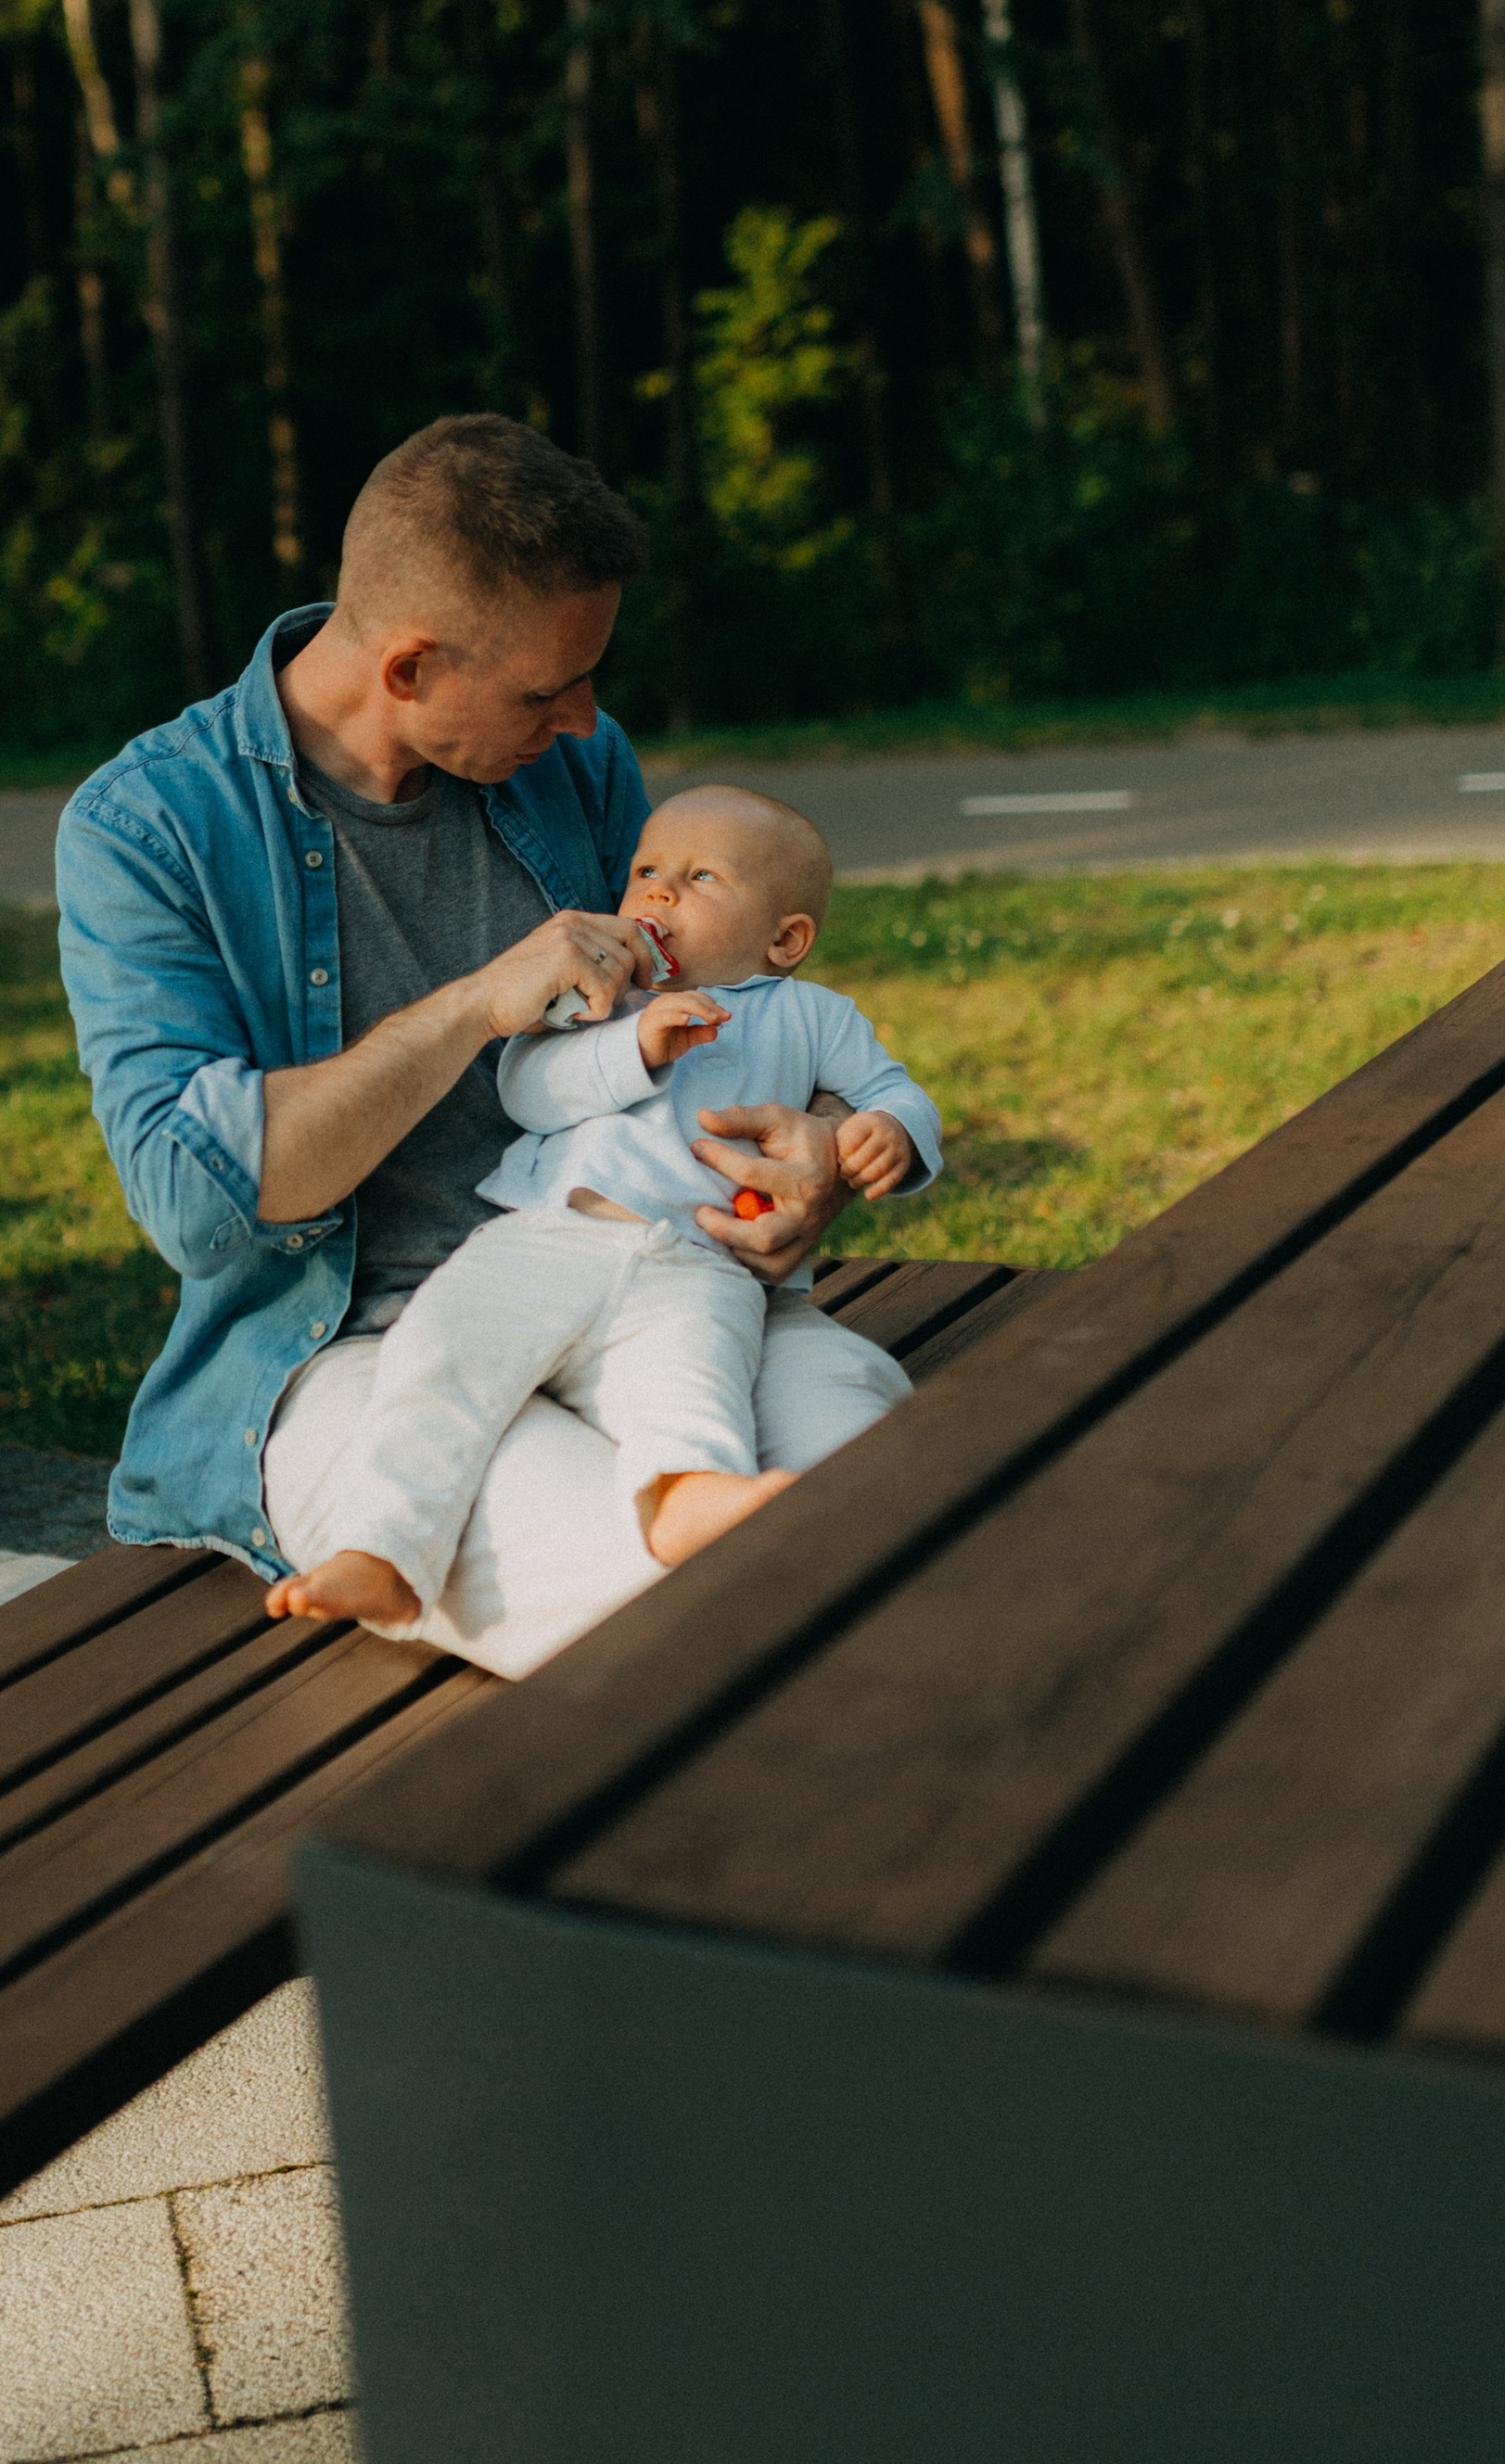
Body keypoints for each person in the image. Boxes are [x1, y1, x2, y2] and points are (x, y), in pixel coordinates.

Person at [55, 414, 917, 1680]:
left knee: (901, 1507)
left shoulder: (576, 766)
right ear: (407, 668)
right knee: (689, 1611)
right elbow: (197, 1206)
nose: (585, 722)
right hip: (364, 1358)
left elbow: (720, 1022)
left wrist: (814, 1164)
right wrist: (471, 1005)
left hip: (656, 1283)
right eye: (544, 690)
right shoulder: (149, 830)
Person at [262, 782, 940, 1636]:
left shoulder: (812, 1015)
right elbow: (527, 1090)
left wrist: (887, 1132)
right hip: (545, 1242)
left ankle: (685, 1494)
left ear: (785, 938)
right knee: (439, 1357)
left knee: (690, 1378)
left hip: (697, 1264)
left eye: (701, 878)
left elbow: (891, 1090)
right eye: (647, 870)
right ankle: (385, 1547)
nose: (659, 892)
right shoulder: (602, 995)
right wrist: (632, 1045)